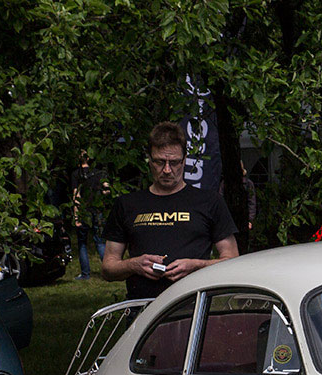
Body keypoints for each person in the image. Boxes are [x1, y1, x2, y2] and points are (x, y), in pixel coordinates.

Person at [101, 122, 239, 300]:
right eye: (160, 162)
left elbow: (232, 261)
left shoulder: (209, 202)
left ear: (184, 160)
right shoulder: (127, 204)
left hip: (192, 309)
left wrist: (195, 266)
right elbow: (108, 268)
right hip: (144, 311)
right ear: (149, 160)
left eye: (174, 163)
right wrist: (134, 265)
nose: (167, 170)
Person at [71, 149, 109, 280]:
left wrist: (76, 215)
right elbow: (107, 189)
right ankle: (108, 271)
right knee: (100, 242)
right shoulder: (98, 173)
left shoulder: (76, 174)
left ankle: (85, 274)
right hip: (97, 210)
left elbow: (76, 196)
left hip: (84, 211)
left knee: (82, 243)